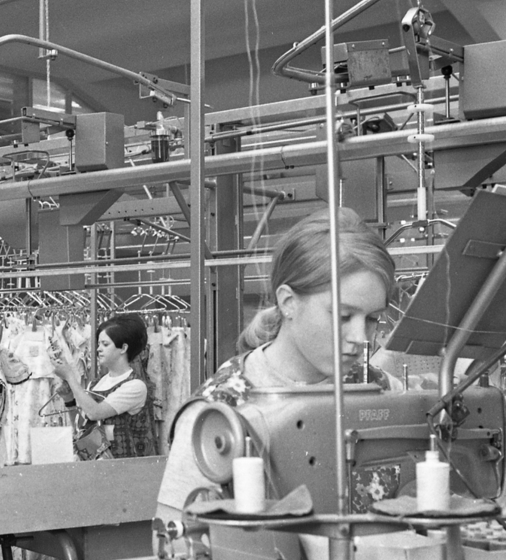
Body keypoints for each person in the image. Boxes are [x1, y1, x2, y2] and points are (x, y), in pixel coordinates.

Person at [156, 206, 397, 519]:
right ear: (288, 302)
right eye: (343, 316)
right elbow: (174, 535)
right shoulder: (218, 414)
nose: (361, 338)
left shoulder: (381, 391)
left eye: (373, 319)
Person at [52, 314, 158, 459]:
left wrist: (70, 377)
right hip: (100, 467)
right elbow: (84, 430)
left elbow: (95, 412)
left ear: (123, 348)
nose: (98, 349)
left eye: (105, 344)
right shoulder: (96, 384)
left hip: (129, 467)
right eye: (99, 344)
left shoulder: (135, 386)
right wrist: (69, 400)